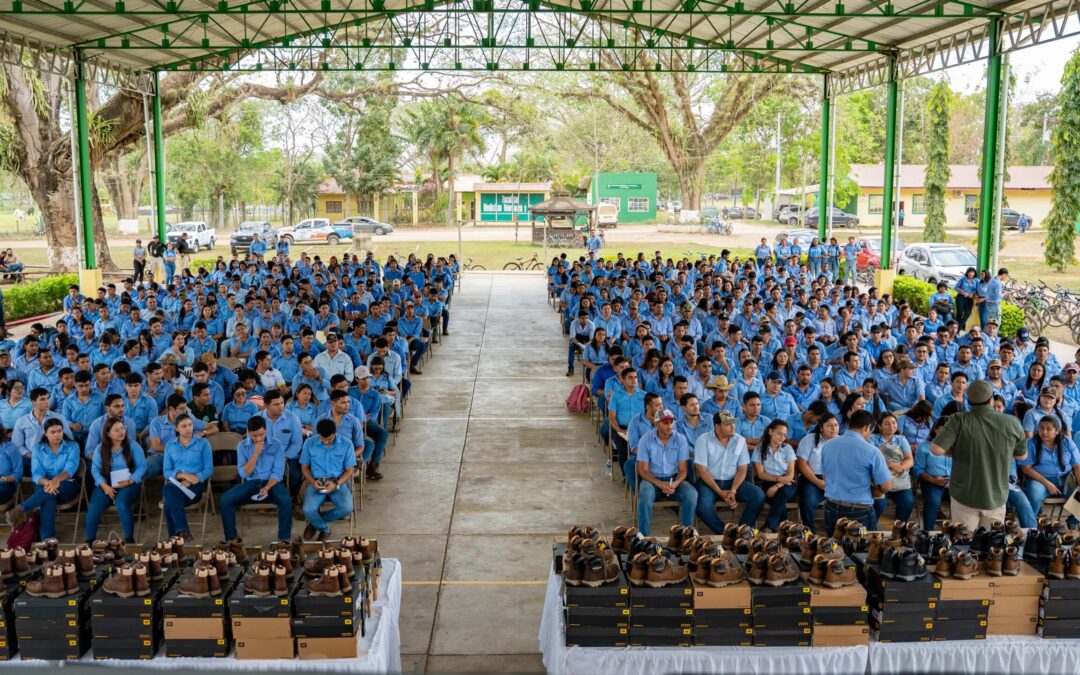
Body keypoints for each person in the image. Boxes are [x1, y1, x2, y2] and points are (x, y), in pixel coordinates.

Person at [930, 380, 1027, 530]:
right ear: (991, 400)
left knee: (963, 544)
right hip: (995, 495)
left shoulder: (958, 419)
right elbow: (1022, 456)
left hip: (964, 495)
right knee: (991, 544)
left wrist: (957, 450)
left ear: (968, 400)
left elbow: (936, 449)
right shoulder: (1011, 422)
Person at [218, 416, 292, 547]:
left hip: (272, 483)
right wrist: (256, 454)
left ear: (266, 430)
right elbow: (243, 473)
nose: (258, 439)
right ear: (248, 432)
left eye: (261, 434)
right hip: (251, 483)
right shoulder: (242, 446)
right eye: (254, 436)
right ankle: (233, 540)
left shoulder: (276, 445)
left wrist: (267, 487)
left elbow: (278, 473)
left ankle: (283, 540)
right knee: (225, 499)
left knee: (286, 500)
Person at [819, 409, 892, 534]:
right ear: (868, 427)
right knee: (862, 552)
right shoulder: (872, 451)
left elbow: (825, 478)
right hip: (859, 511)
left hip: (831, 506)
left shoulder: (827, 445)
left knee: (834, 549)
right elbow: (887, 486)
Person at [7, 418, 80, 539]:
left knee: (48, 492)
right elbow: (36, 473)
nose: (57, 435)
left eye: (60, 431)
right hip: (44, 484)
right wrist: (48, 482)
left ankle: (21, 509)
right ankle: (47, 540)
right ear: (45, 433)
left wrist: (56, 480)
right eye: (53, 432)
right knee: (48, 499)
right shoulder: (38, 449)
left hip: (67, 485)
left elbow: (71, 468)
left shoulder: (72, 446)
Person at [693, 411, 765, 533]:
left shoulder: (740, 441)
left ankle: (743, 531)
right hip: (709, 482)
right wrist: (720, 492)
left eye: (733, 423)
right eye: (728, 424)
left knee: (758, 496)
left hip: (733, 481)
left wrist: (733, 490)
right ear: (717, 427)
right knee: (702, 506)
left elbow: (742, 469)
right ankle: (726, 532)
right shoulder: (703, 440)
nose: (733, 427)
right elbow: (702, 470)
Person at [635, 408, 697, 536]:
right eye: (665, 423)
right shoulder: (645, 440)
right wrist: (659, 484)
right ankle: (644, 537)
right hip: (652, 480)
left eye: (671, 422)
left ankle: (685, 535)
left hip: (673, 479)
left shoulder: (681, 439)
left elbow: (683, 470)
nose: (669, 426)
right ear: (656, 424)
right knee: (645, 495)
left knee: (691, 494)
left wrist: (675, 483)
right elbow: (643, 470)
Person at [85, 416, 145, 544]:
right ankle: (90, 542)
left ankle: (129, 540)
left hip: (129, 482)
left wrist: (130, 481)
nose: (121, 432)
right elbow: (95, 470)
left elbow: (142, 467)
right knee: (94, 507)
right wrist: (104, 486)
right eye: (116, 430)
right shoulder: (100, 448)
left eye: (122, 428)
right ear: (108, 433)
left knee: (121, 503)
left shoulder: (133, 445)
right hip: (106, 482)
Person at [300, 418, 356, 541]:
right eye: (322, 439)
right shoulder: (310, 443)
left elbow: (350, 470)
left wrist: (336, 484)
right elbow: (304, 467)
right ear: (317, 434)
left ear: (335, 432)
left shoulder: (347, 444)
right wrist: (313, 482)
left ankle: (315, 522)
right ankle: (325, 529)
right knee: (307, 509)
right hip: (317, 482)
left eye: (329, 439)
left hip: (338, 482)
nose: (326, 442)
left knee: (347, 508)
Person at [1019, 415, 1080, 522]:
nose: (1044, 432)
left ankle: (1072, 523)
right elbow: (1026, 468)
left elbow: (1077, 466)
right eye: (1041, 428)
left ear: (1057, 431)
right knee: (1034, 494)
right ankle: (1031, 527)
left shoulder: (1067, 442)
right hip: (1039, 480)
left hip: (1066, 481)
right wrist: (1048, 484)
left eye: (1048, 429)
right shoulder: (1031, 443)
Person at [161, 414, 213, 541]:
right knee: (170, 490)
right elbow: (166, 472)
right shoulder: (170, 445)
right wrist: (182, 475)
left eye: (190, 425)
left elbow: (209, 469)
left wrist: (194, 479)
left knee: (169, 501)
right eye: (184, 426)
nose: (188, 428)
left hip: (195, 485)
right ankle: (183, 532)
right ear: (177, 428)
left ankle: (174, 539)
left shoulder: (203, 443)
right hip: (176, 483)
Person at [751, 419, 797, 533]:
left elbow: (791, 474)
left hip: (788, 483)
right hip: (768, 481)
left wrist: (777, 485)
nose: (782, 438)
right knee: (779, 501)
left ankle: (769, 527)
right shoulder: (760, 448)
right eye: (779, 434)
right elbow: (761, 474)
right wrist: (777, 480)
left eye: (785, 435)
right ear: (770, 432)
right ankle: (785, 526)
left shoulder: (788, 448)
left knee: (782, 493)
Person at [796, 412, 839, 533]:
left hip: (834, 479)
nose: (834, 428)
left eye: (836, 425)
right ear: (821, 427)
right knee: (808, 501)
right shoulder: (809, 439)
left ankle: (835, 534)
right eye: (830, 425)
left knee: (842, 502)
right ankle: (810, 534)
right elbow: (802, 463)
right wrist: (817, 482)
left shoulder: (842, 441)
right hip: (811, 477)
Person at [871, 412, 915, 523]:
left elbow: (909, 460)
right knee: (878, 504)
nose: (891, 426)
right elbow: (872, 459)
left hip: (900, 481)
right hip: (880, 482)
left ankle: (899, 529)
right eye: (887, 424)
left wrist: (900, 468)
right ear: (879, 426)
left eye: (894, 423)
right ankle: (871, 530)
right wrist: (891, 464)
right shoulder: (872, 439)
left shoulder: (901, 439)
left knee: (907, 502)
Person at [914, 417, 952, 529]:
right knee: (933, 501)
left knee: (963, 501)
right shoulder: (925, 446)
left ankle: (957, 532)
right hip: (931, 480)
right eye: (944, 429)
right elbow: (917, 469)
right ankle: (928, 533)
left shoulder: (957, 446)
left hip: (953, 481)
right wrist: (934, 480)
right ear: (935, 429)